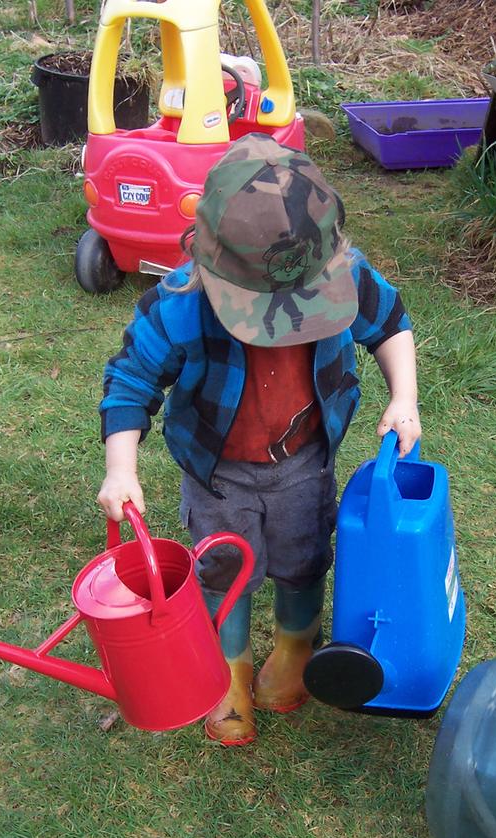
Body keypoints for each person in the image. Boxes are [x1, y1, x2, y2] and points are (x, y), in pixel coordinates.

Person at [97, 133, 421, 747]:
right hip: (218, 472)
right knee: (223, 571)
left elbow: (391, 324)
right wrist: (121, 468)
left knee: (303, 559)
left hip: (304, 460)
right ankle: (230, 670)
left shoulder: (346, 275)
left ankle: (296, 648)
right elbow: (130, 381)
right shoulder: (180, 302)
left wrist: (403, 398)